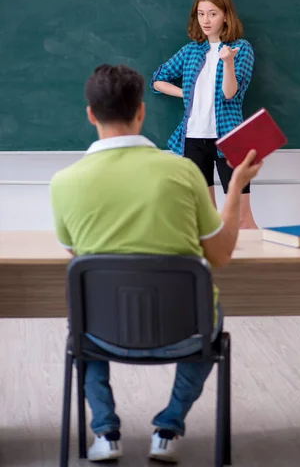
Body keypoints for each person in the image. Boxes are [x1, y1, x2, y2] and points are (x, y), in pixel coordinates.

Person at [50, 64, 262, 463]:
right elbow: (219, 256)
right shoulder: (181, 172)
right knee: (209, 332)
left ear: (91, 114)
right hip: (186, 332)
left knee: (80, 324)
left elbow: (79, 260)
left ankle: (105, 431)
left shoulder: (64, 181)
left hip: (102, 333)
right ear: (142, 111)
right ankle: (168, 427)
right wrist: (234, 189)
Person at [151, 0, 258, 229]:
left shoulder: (241, 49)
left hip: (230, 138)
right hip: (193, 139)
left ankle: (262, 266)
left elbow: (229, 93)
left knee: (242, 219)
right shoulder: (191, 51)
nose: (206, 20)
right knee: (206, 219)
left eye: (212, 14)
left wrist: (228, 62)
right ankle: (215, 265)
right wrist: (186, 93)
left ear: (225, 17)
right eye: (201, 14)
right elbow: (158, 79)